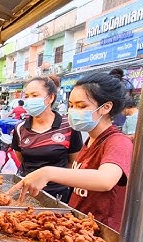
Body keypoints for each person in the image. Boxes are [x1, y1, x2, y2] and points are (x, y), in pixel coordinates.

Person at [8, 72, 133, 231]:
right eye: (71, 105)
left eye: (82, 106)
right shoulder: (91, 141)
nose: (74, 111)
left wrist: (48, 172)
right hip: (80, 224)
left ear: (106, 107)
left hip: (101, 232)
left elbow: (105, 180)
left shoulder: (118, 141)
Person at [10, 75, 83, 202]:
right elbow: (21, 158)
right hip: (26, 192)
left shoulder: (69, 126)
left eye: (34, 95)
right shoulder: (20, 128)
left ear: (50, 98)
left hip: (57, 195)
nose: (29, 100)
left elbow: (73, 163)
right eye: (26, 96)